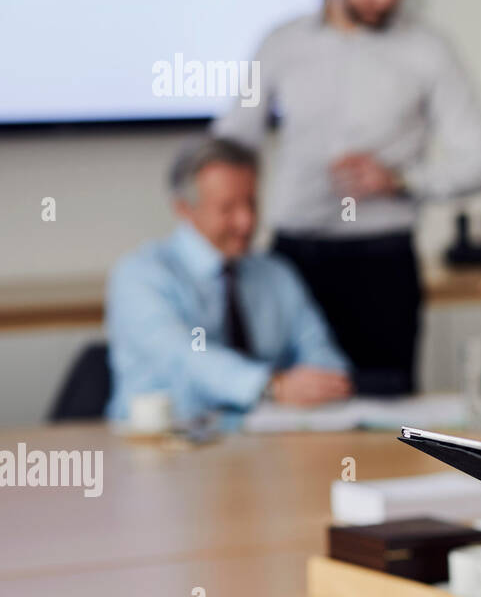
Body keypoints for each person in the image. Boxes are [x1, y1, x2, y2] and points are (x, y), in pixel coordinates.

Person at [214, 0, 481, 396]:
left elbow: (480, 162)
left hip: (383, 268)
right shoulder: (281, 43)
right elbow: (232, 145)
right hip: (289, 264)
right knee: (288, 412)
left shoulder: (429, 49)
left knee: (385, 420)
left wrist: (401, 181)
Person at [105, 138, 352, 424]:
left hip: (267, 445)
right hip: (163, 449)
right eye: (227, 208)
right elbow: (185, 358)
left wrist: (321, 384)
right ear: (184, 208)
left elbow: (320, 351)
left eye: (251, 203)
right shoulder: (140, 276)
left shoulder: (275, 274)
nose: (246, 222)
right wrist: (270, 387)